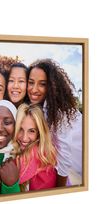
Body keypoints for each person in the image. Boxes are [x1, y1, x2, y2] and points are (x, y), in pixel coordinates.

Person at [26, 58, 82, 186]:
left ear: (51, 86)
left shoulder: (59, 111)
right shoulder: (42, 107)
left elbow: (64, 158)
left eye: (42, 84)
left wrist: (58, 191)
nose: (34, 89)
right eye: (31, 82)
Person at [13, 103, 57, 191]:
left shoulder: (35, 152)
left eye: (31, 131)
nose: (24, 138)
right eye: (20, 129)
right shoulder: (45, 149)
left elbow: (7, 178)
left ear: (39, 133)